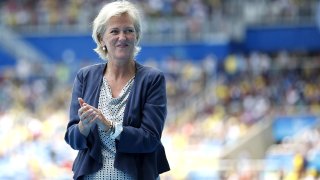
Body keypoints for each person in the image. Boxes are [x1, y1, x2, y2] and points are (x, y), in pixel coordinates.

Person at [64, 1, 170, 179]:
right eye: (114, 31)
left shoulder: (152, 79)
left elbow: (150, 139)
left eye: (129, 30)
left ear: (136, 36)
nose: (123, 37)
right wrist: (84, 126)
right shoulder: (85, 76)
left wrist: (109, 126)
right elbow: (72, 138)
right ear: (101, 38)